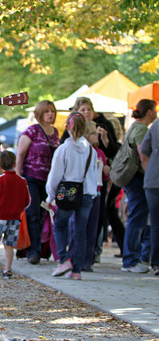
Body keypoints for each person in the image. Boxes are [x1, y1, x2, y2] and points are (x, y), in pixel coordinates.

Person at [67, 98, 121, 260]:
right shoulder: (71, 133)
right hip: (76, 183)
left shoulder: (103, 126)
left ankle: (91, 253)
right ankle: (75, 254)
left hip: (97, 184)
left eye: (88, 109)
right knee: (77, 220)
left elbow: (112, 150)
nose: (86, 112)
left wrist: (104, 140)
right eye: (82, 109)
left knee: (95, 216)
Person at [46, 112, 98, 280]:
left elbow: (55, 175)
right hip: (87, 193)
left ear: (67, 127)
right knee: (80, 231)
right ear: (85, 129)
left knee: (60, 225)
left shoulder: (64, 149)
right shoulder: (91, 150)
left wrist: (50, 196)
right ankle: (77, 269)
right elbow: (93, 175)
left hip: (68, 192)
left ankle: (63, 259)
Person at [16, 100, 59, 264]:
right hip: (31, 178)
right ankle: (32, 252)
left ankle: (40, 249)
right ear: (40, 113)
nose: (50, 114)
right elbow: (20, 155)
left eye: (52, 111)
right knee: (32, 214)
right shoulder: (32, 131)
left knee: (42, 214)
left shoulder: (55, 132)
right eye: (47, 111)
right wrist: (19, 178)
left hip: (48, 181)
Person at [120, 99, 156, 273]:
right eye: (155, 110)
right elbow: (143, 156)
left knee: (136, 217)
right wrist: (149, 176)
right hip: (136, 178)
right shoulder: (141, 129)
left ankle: (131, 258)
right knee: (137, 218)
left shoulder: (135, 127)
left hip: (129, 178)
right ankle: (131, 260)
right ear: (149, 111)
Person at [0, 151, 31, 279]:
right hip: (15, 218)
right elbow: (27, 201)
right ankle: (8, 269)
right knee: (9, 244)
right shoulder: (22, 181)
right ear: (15, 163)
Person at [140, 105, 159, 276]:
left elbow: (144, 151)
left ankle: (156, 262)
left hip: (153, 179)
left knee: (155, 222)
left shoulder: (156, 125)